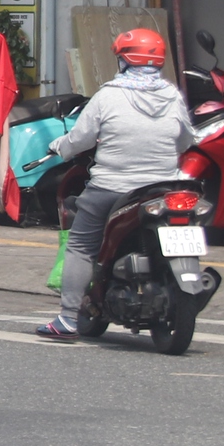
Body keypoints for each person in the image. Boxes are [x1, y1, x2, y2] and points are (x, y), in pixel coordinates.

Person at [41, 26, 199, 341]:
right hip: (163, 189)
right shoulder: (171, 95)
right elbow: (184, 140)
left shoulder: (108, 96)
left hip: (111, 188)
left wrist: (60, 146)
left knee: (81, 246)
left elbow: (80, 140)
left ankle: (68, 318)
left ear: (124, 60)